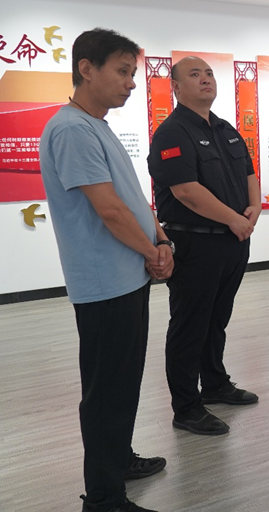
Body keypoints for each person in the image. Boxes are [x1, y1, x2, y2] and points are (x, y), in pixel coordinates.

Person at [40, 28, 171, 512]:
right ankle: (103, 497)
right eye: (122, 71)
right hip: (104, 283)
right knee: (106, 390)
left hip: (127, 275)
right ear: (86, 69)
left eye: (133, 73)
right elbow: (110, 211)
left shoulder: (97, 125)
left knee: (123, 382)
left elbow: (132, 199)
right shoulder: (72, 129)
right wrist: (153, 253)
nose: (131, 83)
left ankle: (118, 459)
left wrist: (160, 240)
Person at [147, 56, 261, 437]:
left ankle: (214, 383)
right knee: (190, 325)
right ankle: (186, 406)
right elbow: (186, 191)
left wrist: (255, 207)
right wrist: (233, 219)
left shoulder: (226, 129)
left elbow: (249, 172)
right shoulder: (171, 133)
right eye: (194, 74)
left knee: (216, 319)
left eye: (209, 73)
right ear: (176, 87)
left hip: (232, 242)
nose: (205, 79)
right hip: (195, 243)